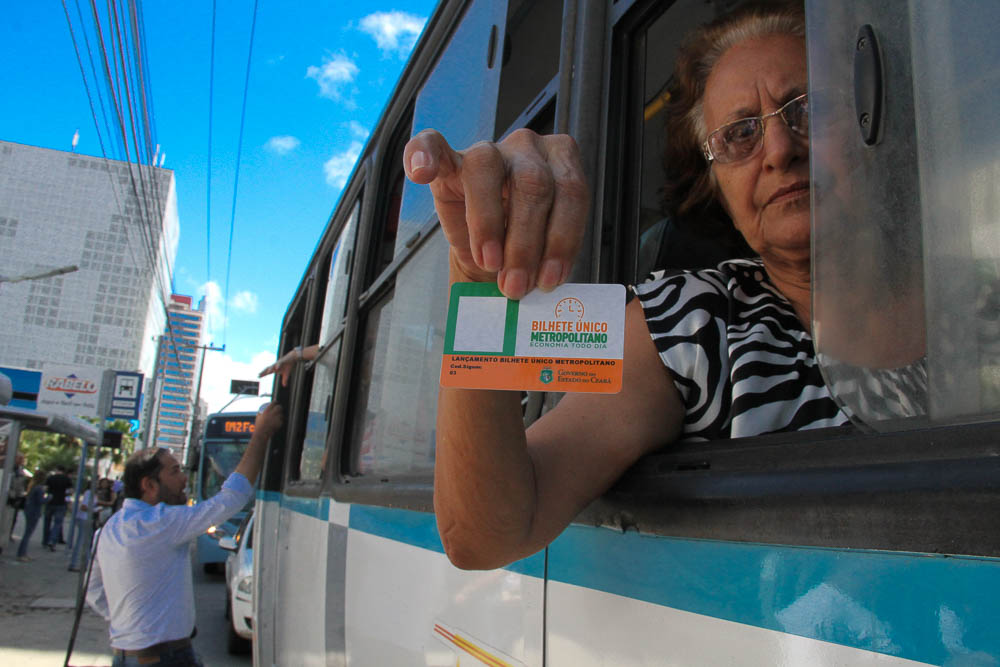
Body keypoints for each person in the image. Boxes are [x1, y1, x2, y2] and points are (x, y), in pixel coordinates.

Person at [400, 0, 868, 570]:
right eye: (740, 134)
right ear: (716, 185)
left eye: (809, 109)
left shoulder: (963, 301)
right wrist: (478, 278)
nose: (779, 150)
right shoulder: (691, 323)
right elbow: (484, 534)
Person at [86, 402, 283, 667]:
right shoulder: (161, 523)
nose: (184, 480)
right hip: (163, 659)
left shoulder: (107, 530)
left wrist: (132, 625)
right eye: (175, 471)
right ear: (149, 485)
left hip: (126, 655)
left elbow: (94, 591)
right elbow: (231, 498)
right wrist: (261, 434)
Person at [16, 471, 49, 562]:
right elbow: (41, 501)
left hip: (29, 510)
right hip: (34, 511)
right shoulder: (39, 488)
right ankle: (21, 554)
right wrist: (49, 497)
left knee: (27, 533)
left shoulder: (32, 486)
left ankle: (23, 553)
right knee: (28, 533)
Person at [43, 465, 73, 550]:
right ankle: (52, 541)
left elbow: (45, 489)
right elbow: (70, 491)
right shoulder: (67, 479)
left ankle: (45, 540)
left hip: (50, 501)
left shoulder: (50, 478)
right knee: (57, 523)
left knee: (47, 522)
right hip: (61, 502)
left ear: (56, 470)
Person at [7, 453, 28, 537]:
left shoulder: (20, 470)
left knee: (12, 518)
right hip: (9, 495)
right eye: (20, 459)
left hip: (15, 497)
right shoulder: (9, 468)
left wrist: (20, 495)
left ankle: (8, 533)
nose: (21, 461)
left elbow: (21, 485)